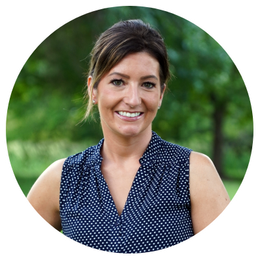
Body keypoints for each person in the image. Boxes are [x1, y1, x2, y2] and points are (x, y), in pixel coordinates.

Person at [27, 20, 230, 253]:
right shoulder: (62, 178)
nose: (133, 99)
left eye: (147, 84)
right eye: (118, 82)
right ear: (93, 89)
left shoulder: (194, 172)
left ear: (161, 94)